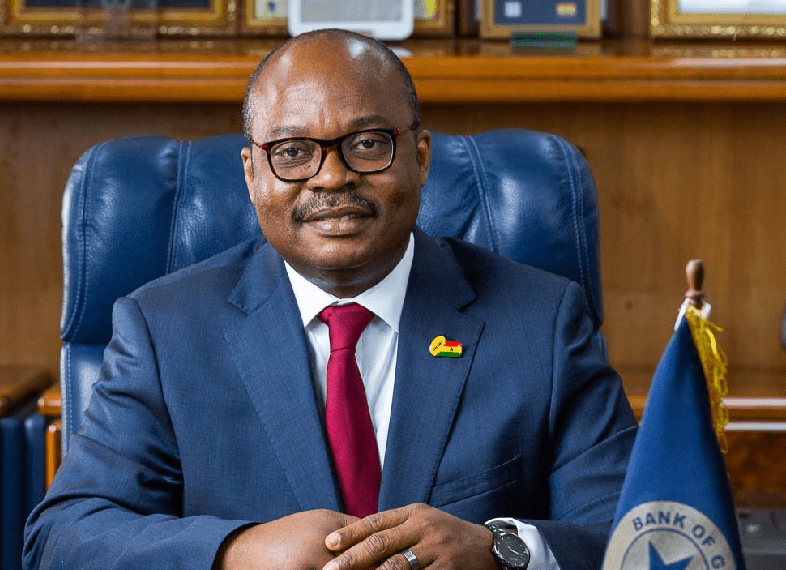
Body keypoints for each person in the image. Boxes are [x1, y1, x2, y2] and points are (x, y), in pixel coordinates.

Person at [23, 29, 636, 570]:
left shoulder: (544, 322)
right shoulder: (163, 330)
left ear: (420, 157)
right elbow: (63, 540)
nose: (332, 176)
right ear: (251, 174)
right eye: (293, 151)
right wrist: (238, 553)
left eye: (367, 143)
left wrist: (500, 549)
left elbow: (633, 535)